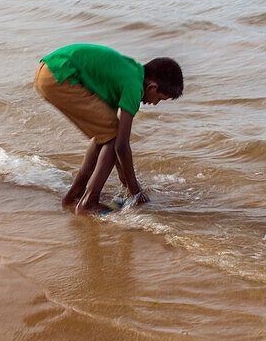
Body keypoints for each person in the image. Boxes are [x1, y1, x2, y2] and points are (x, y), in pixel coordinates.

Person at [34, 44, 183, 214]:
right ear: (152, 87)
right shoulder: (134, 86)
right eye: (159, 99)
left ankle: (76, 194)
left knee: (105, 132)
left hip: (50, 71)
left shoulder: (131, 71)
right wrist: (134, 189)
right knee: (112, 133)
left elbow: (116, 143)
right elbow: (120, 144)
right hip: (59, 76)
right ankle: (88, 202)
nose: (155, 103)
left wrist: (124, 177)